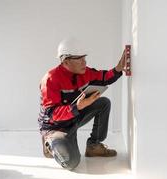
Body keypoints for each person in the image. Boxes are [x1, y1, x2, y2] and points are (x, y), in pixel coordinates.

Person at [38, 38, 126, 170]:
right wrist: (77, 107)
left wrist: (118, 69)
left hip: (74, 117)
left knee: (103, 103)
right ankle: (50, 144)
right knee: (71, 163)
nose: (84, 61)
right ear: (65, 61)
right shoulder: (50, 79)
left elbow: (103, 77)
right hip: (56, 127)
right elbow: (52, 115)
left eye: (84, 57)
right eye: (79, 58)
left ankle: (93, 146)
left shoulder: (84, 72)